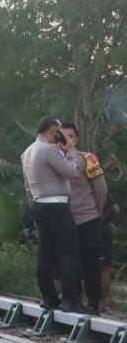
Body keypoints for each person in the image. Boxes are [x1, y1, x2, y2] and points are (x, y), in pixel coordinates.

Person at [21, 115, 86, 313]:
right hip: (57, 206)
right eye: (58, 131)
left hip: (39, 203)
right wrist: (71, 151)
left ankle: (48, 297)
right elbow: (71, 172)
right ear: (52, 131)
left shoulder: (28, 151)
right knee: (69, 251)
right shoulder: (48, 150)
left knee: (46, 251)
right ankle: (69, 299)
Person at [60, 122, 107, 314]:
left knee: (90, 262)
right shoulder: (53, 160)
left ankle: (94, 302)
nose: (66, 140)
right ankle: (73, 299)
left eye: (70, 136)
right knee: (68, 262)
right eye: (62, 136)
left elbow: (101, 189)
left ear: (76, 139)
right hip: (64, 220)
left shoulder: (87, 159)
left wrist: (96, 211)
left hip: (87, 219)